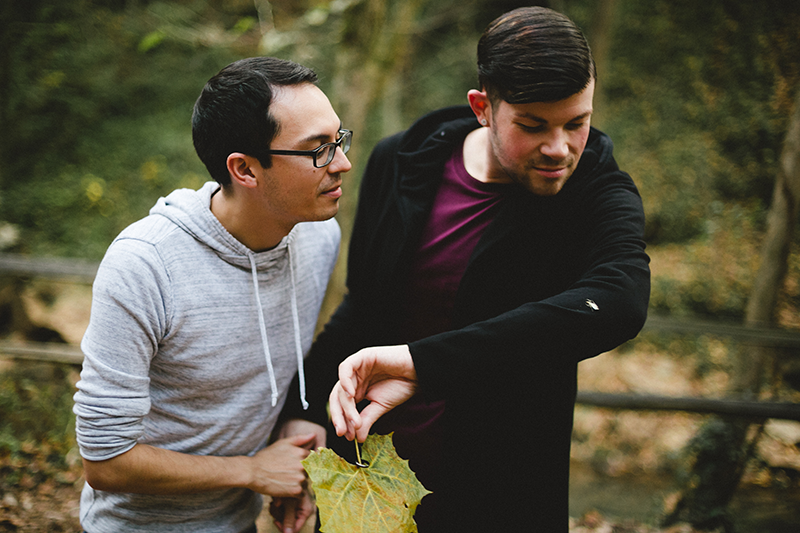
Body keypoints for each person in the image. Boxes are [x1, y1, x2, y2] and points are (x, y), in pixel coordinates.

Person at [280, 6, 651, 532]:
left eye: (577, 123)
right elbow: (364, 306)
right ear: (483, 107)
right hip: (370, 486)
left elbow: (619, 302)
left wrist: (422, 364)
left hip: (500, 497)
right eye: (533, 125)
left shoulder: (596, 193)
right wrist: (305, 410)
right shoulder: (400, 161)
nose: (559, 148)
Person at [72, 56, 352, 533]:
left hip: (238, 522)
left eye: (339, 139)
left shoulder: (317, 236)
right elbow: (105, 463)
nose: (342, 163)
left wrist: (295, 423)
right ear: (244, 169)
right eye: (318, 150)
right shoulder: (145, 265)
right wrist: (251, 472)